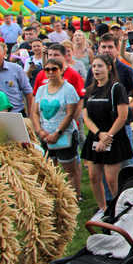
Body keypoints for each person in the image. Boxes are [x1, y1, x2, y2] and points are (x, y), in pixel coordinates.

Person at [81, 54, 133, 219]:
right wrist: (98, 134)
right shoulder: (90, 90)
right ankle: (103, 209)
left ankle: (120, 210)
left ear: (109, 68)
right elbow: (85, 116)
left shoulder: (117, 88)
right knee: (93, 176)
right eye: (94, 66)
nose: (96, 70)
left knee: (112, 179)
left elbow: (122, 116)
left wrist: (108, 136)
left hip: (114, 137)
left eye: (100, 66)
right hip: (95, 135)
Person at [32, 58, 81, 197]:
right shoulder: (41, 89)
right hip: (45, 134)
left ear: (61, 70)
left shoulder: (68, 89)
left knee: (69, 170)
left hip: (64, 134)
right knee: (49, 169)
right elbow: (35, 112)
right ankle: (55, 196)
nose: (50, 72)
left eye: (54, 69)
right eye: (47, 69)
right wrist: (39, 130)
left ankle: (75, 197)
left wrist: (57, 133)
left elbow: (70, 113)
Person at [0, 42, 33, 116]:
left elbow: (28, 92)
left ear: (4, 54)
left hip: (15, 114)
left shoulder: (16, 69)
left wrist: (30, 115)